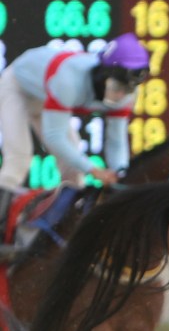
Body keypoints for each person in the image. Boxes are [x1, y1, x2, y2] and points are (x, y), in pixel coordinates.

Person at [0, 33, 150, 241]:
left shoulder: (127, 94)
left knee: (73, 173)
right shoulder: (70, 81)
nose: (120, 96)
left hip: (45, 95)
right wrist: (94, 170)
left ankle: (66, 232)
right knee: (18, 160)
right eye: (117, 87)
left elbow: (116, 141)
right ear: (103, 74)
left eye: (127, 89)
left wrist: (120, 174)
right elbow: (54, 137)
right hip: (17, 87)